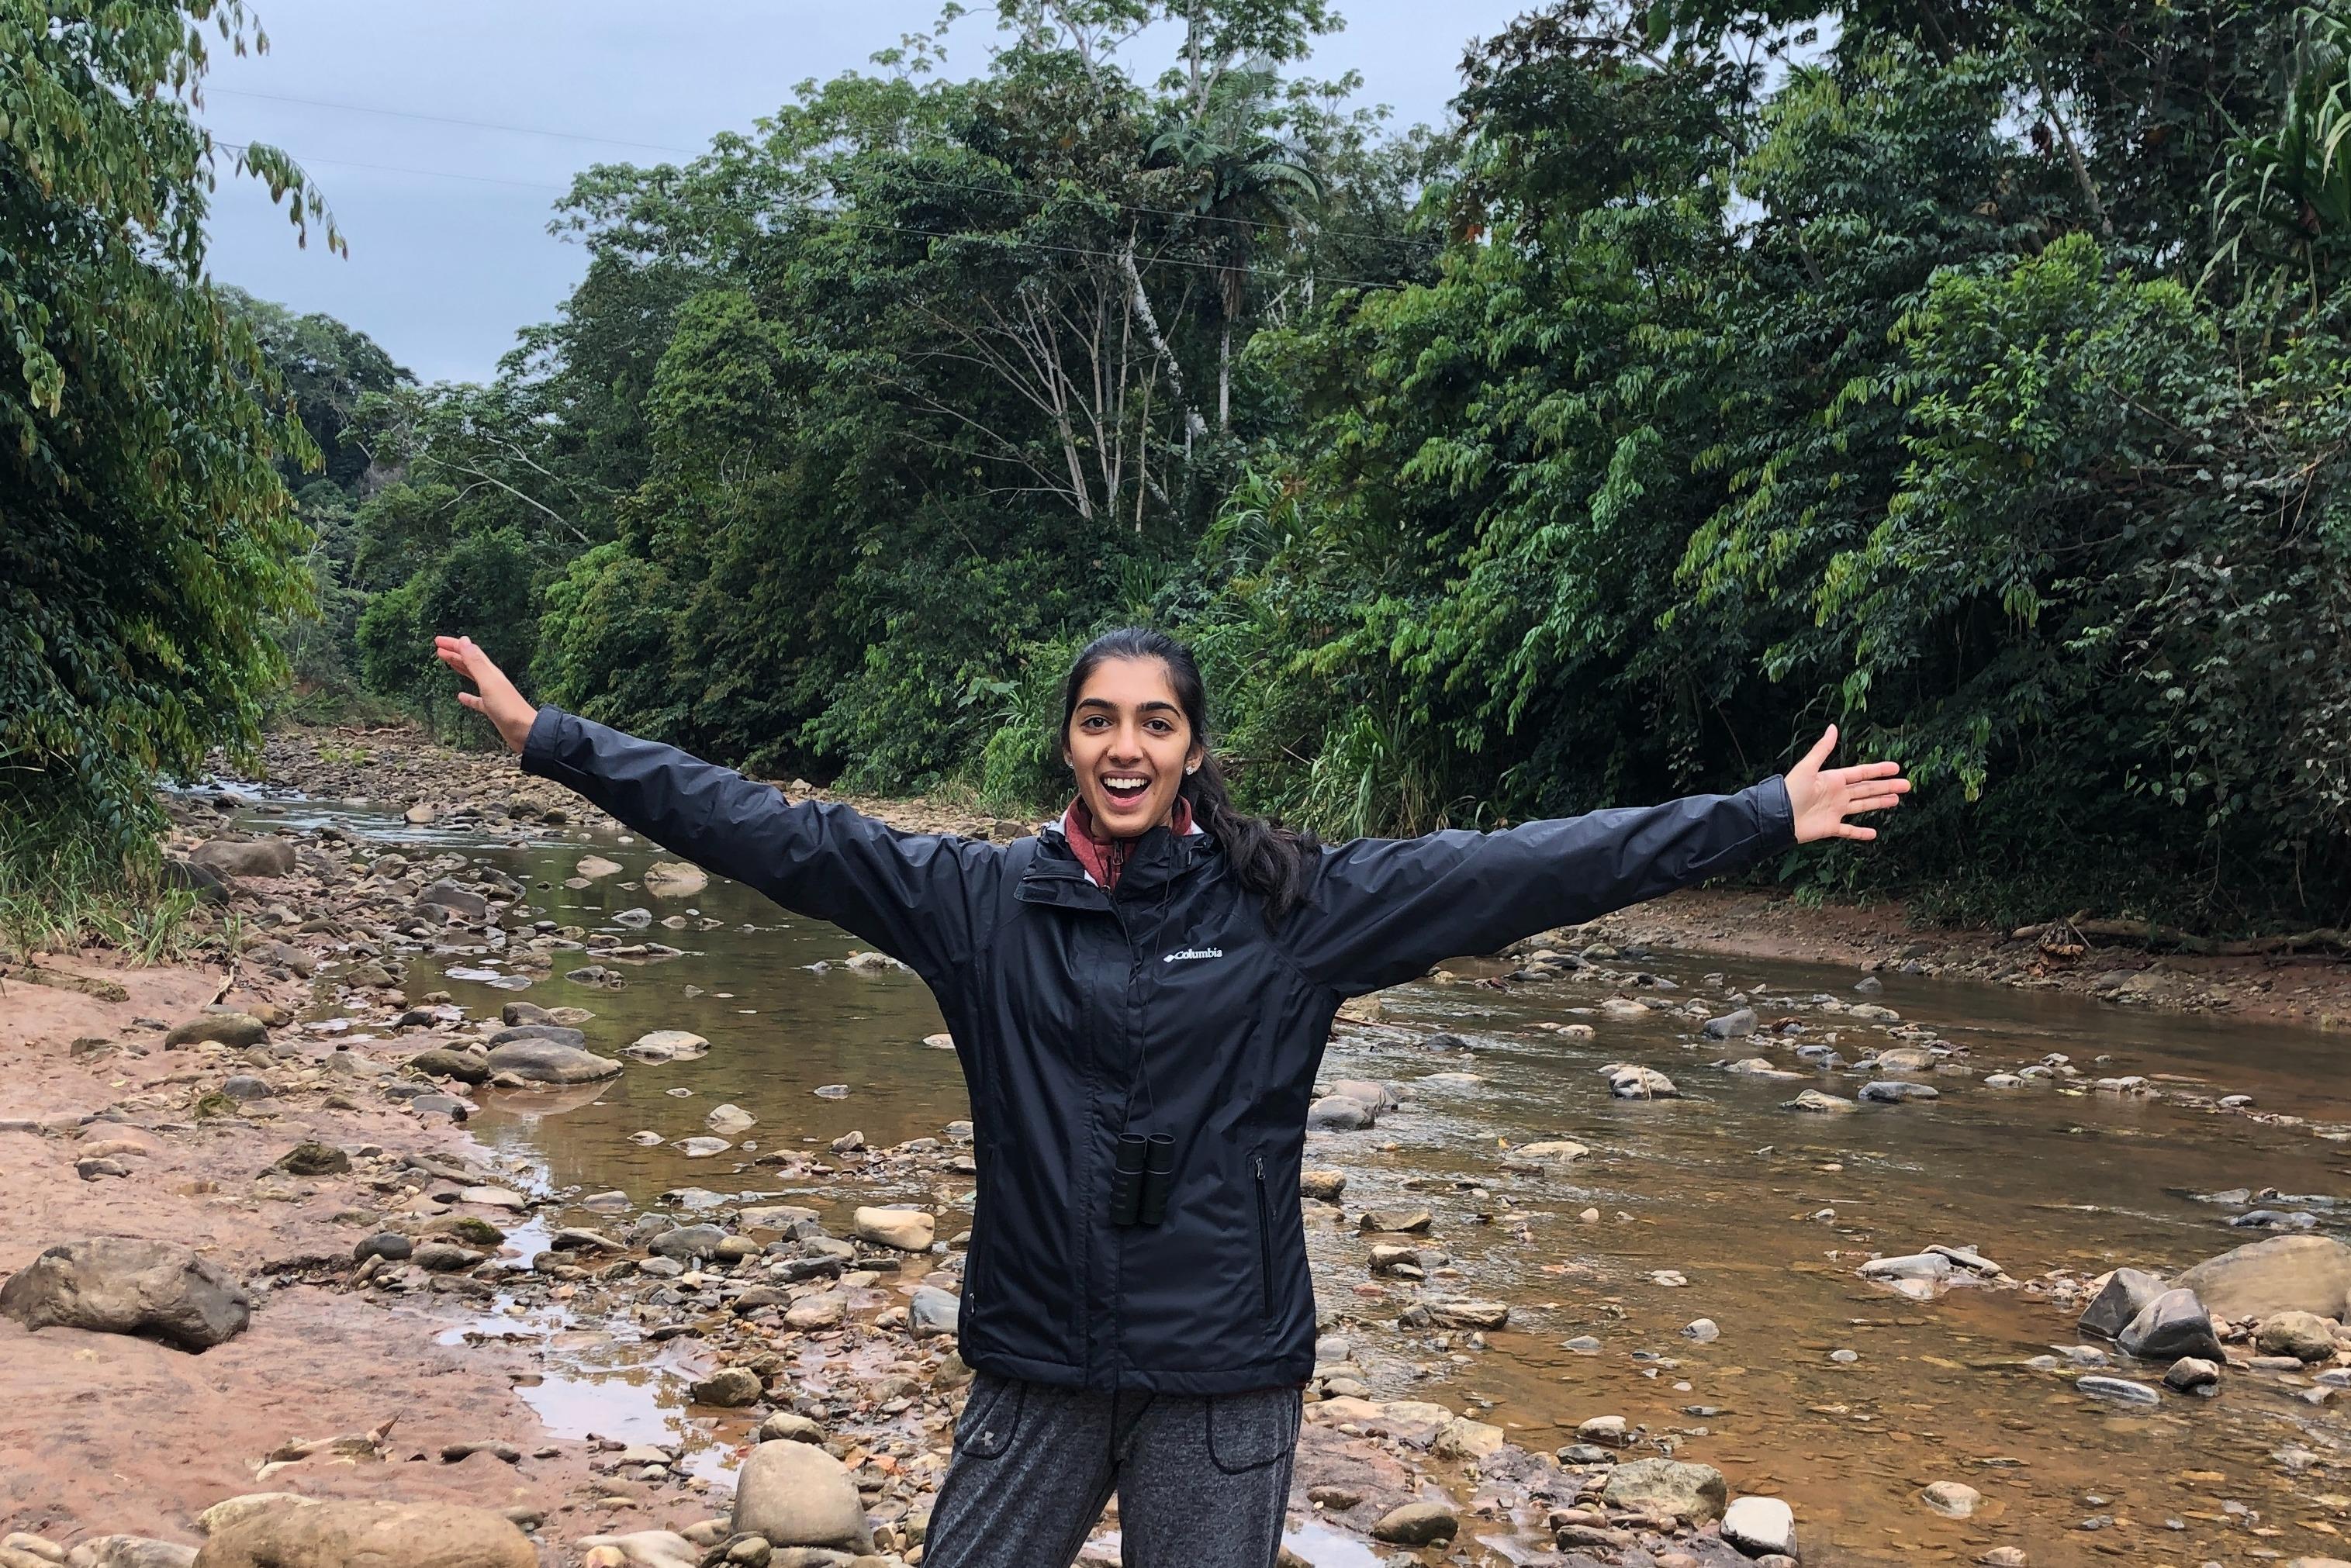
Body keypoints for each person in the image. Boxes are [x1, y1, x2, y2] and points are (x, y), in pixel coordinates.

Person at [432, 625, 1909, 1568]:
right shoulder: (978, 902)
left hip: (1222, 1369)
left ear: (1192, 745)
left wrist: (1758, 813)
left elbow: (1523, 866)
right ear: (1065, 741)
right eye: (1095, 720)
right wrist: (556, 740)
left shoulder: (1296, 906)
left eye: (1152, 721)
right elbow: (772, 832)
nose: (1123, 745)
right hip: (1038, 1360)